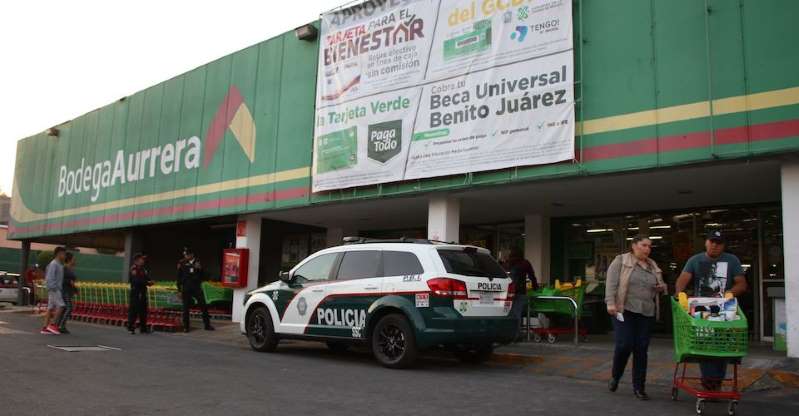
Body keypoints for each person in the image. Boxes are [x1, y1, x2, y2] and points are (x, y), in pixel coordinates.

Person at [675, 230, 748, 391]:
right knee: (704, 345)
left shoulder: (732, 260)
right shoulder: (695, 260)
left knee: (721, 346)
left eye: (719, 243)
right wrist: (681, 293)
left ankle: (715, 382)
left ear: (724, 245)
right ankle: (710, 383)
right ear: (706, 242)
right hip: (701, 309)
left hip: (725, 308)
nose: (715, 245)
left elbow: (741, 284)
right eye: (712, 242)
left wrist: (730, 293)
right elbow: (683, 279)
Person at [605, 236, 667, 400]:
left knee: (641, 348)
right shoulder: (621, 260)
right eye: (643, 245)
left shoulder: (652, 265)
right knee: (625, 344)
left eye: (649, 246)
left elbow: (662, 284)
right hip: (623, 309)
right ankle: (616, 376)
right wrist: (610, 303)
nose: (647, 249)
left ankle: (639, 387)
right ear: (634, 246)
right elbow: (611, 283)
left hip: (646, 312)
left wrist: (661, 287)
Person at [177, 247, 214, 332]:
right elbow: (178, 277)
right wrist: (179, 289)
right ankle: (186, 327)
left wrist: (200, 269)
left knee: (203, 306)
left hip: (196, 288)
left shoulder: (198, 262)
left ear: (192, 255)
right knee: (185, 308)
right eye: (185, 254)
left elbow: (205, 276)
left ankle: (207, 325)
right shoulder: (181, 263)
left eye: (187, 254)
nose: (185, 256)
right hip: (186, 288)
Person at [505, 247, 538, 340]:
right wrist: (535, 287)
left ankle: (509, 333)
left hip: (508, 292)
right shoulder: (525, 263)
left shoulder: (509, 264)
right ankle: (516, 334)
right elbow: (532, 276)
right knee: (517, 313)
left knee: (509, 313)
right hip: (520, 292)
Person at [41, 247, 67, 335]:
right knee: (61, 305)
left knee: (50, 307)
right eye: (63, 254)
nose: (65, 256)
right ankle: (52, 325)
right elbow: (49, 277)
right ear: (59, 254)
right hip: (54, 288)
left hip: (54, 288)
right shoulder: (54, 264)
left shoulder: (59, 264)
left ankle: (45, 327)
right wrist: (54, 288)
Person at [127, 253, 153, 334]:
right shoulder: (134, 269)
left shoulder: (143, 269)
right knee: (134, 310)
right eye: (142, 259)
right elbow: (136, 281)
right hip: (136, 292)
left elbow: (147, 278)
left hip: (143, 291)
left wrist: (150, 282)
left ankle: (143, 328)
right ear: (137, 260)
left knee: (143, 310)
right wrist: (147, 282)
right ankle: (131, 327)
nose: (143, 260)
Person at [56, 252, 78, 334]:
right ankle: (60, 325)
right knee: (69, 307)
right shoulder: (64, 268)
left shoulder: (70, 268)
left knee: (65, 308)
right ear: (70, 260)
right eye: (74, 259)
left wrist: (75, 289)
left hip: (69, 291)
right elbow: (62, 279)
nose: (75, 261)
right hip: (65, 291)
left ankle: (60, 325)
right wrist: (69, 282)